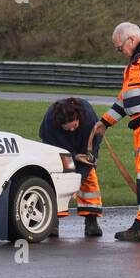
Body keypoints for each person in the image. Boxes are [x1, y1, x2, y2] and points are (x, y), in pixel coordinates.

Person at [86, 23, 140, 241]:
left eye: (119, 48)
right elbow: (125, 99)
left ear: (131, 40)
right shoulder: (136, 61)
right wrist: (105, 122)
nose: (120, 52)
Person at [38, 97, 104, 237]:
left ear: (78, 118)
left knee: (89, 181)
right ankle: (52, 222)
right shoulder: (49, 124)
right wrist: (73, 156)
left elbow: (91, 153)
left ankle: (91, 221)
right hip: (59, 151)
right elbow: (51, 150)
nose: (72, 130)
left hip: (84, 149)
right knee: (56, 182)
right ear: (59, 125)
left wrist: (79, 181)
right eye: (68, 128)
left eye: (74, 126)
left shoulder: (89, 119)